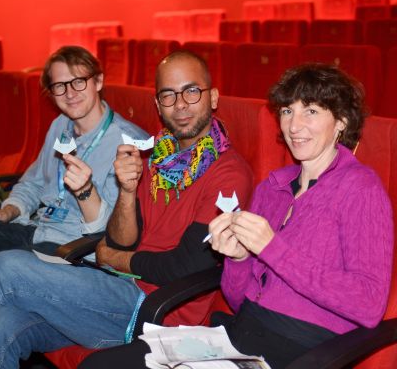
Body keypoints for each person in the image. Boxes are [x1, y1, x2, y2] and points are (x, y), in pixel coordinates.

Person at [78, 63, 394, 369]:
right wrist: (239, 259)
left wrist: (273, 249)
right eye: (287, 111)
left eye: (310, 111)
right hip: (236, 337)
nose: (294, 126)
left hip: (300, 351)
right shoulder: (273, 188)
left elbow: (367, 305)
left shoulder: (360, 189)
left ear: (340, 121)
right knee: (100, 364)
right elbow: (238, 299)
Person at [0, 50, 253, 368]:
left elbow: (185, 266)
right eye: (168, 95)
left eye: (191, 90)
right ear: (158, 106)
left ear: (212, 97)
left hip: (152, 309)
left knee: (6, 267)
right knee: (1, 327)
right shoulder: (156, 158)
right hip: (111, 292)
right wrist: (128, 192)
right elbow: (121, 239)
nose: (181, 104)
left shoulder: (229, 173)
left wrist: (116, 259)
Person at [0, 45, 148, 254]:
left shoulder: (128, 144)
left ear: (98, 81)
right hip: (38, 230)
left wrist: (85, 191)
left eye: (78, 82)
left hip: (75, 249)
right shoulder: (60, 125)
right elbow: (34, 183)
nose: (70, 93)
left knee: (6, 266)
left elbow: (117, 234)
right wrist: (8, 211)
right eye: (60, 86)